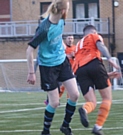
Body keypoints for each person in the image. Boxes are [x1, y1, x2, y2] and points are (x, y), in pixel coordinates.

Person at [26, 0, 80, 135]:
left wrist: (62, 49)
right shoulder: (44, 28)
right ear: (63, 11)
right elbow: (29, 50)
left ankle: (65, 126)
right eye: (67, 9)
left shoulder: (61, 20)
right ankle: (45, 131)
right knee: (54, 103)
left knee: (74, 95)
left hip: (62, 63)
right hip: (48, 67)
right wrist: (31, 72)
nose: (68, 12)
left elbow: (58, 35)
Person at [72, 25, 120, 135]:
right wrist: (109, 59)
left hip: (79, 70)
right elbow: (100, 45)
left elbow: (86, 68)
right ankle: (97, 127)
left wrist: (107, 75)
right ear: (93, 32)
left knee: (91, 102)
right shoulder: (94, 36)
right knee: (107, 98)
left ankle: (84, 109)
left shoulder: (78, 45)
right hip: (94, 63)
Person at [44, 35, 75, 105]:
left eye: (71, 38)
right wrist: (67, 55)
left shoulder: (75, 48)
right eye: (69, 38)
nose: (70, 40)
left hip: (70, 70)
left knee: (69, 87)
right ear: (65, 40)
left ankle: (68, 101)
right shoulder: (62, 48)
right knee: (57, 86)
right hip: (60, 70)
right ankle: (49, 100)